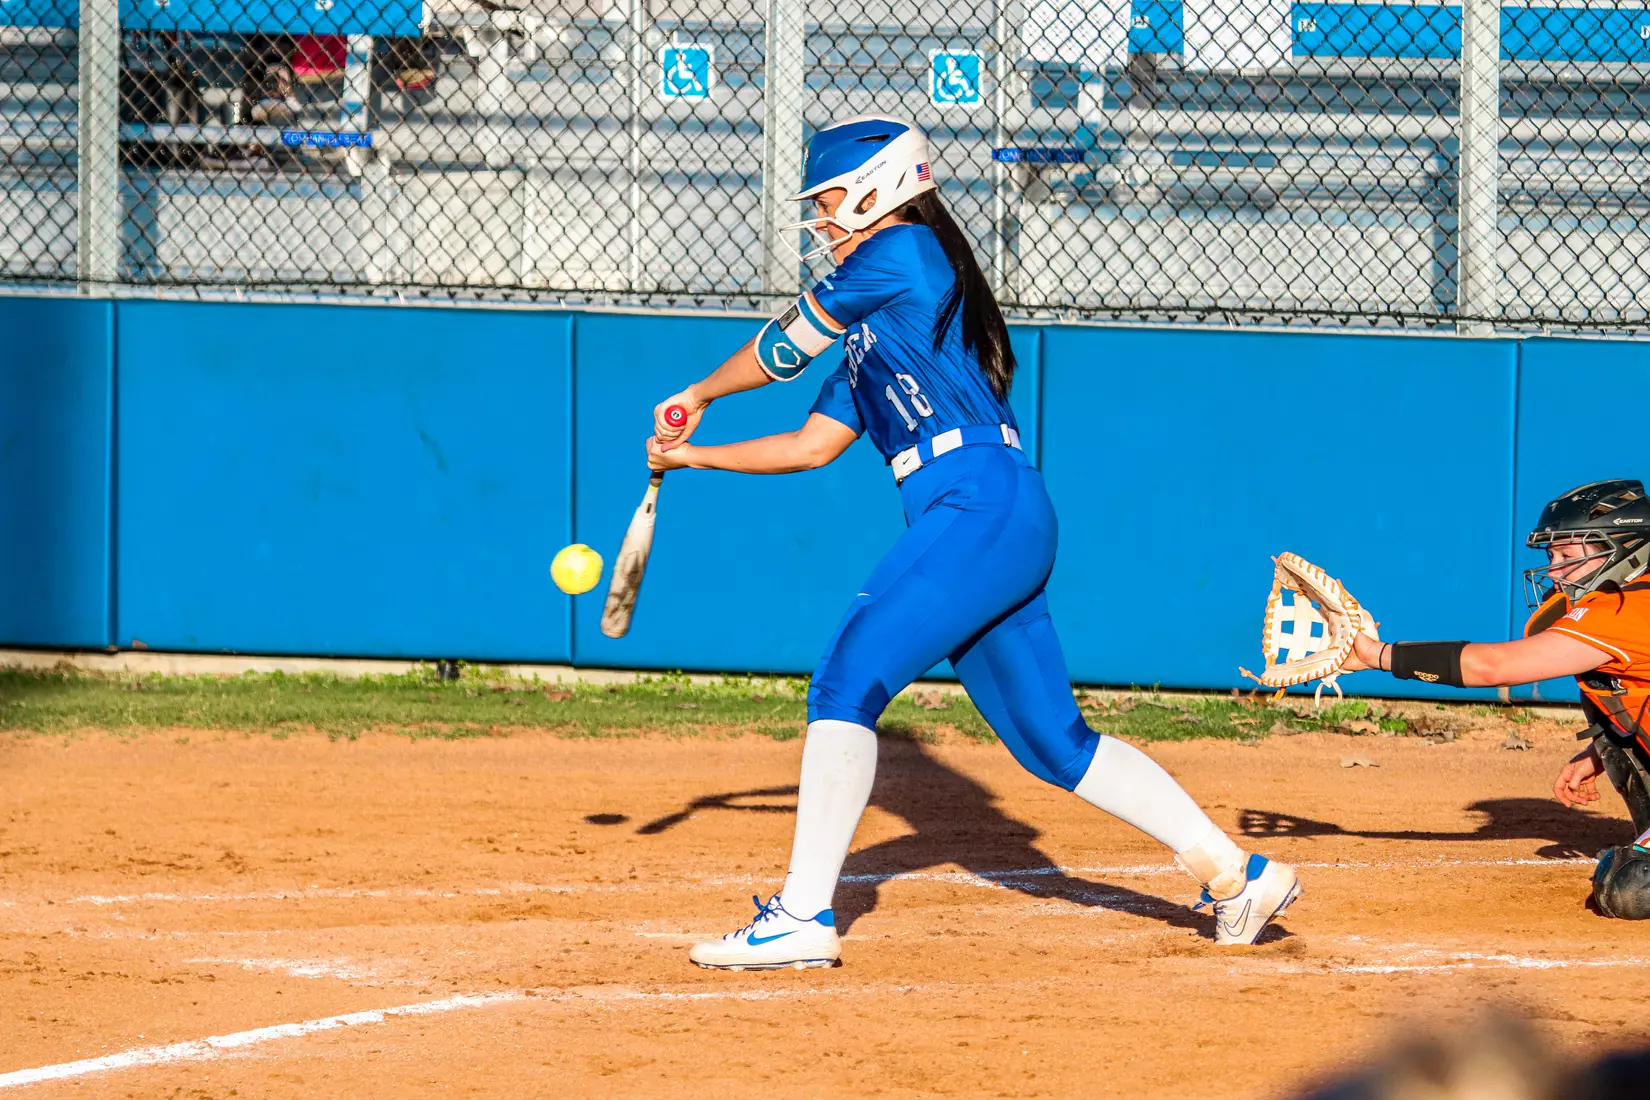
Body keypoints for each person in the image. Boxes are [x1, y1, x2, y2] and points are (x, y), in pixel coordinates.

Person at [644, 114, 1301, 970]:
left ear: (882, 188)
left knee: (844, 684)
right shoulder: (874, 333)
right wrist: (696, 455)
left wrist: (699, 391)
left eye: (831, 200)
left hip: (978, 503)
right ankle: (1236, 872)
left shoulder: (906, 252)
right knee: (1053, 743)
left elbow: (782, 347)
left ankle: (805, 916)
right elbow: (809, 448)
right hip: (988, 515)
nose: (819, 219)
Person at [1340, 479, 1650, 919]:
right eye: (1551, 556)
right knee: (1609, 737)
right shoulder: (1624, 599)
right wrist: (1598, 751)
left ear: (1626, 548)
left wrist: (1376, 655)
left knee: (1629, 889)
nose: (1555, 570)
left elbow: (1492, 668)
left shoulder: (1625, 611)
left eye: (1567, 555)